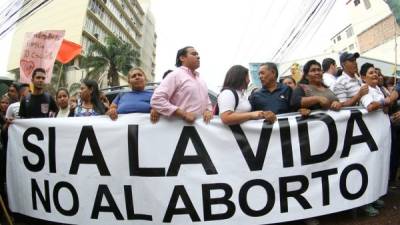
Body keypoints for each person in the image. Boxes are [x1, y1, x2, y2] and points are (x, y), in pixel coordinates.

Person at [151, 46, 213, 123]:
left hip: (201, 131)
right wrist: (183, 114)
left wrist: (208, 110)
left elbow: (208, 102)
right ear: (182, 58)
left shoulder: (201, 80)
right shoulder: (175, 75)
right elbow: (157, 99)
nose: (198, 57)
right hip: (178, 129)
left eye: (198, 54)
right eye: (194, 54)